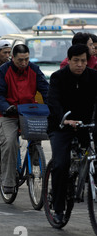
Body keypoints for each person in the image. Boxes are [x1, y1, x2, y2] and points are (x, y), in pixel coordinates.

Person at [47, 44, 97, 224]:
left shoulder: (93, 77)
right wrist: (64, 119)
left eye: (83, 61)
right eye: (76, 61)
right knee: (61, 164)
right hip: (61, 127)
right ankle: (58, 207)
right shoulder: (58, 78)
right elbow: (53, 101)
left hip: (86, 125)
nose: (80, 64)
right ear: (69, 60)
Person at [0, 44, 49, 194]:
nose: (24, 63)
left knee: (38, 132)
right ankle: (8, 182)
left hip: (29, 112)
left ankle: (36, 158)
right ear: (13, 58)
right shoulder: (3, 71)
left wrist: (53, 106)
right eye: (20, 60)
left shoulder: (34, 70)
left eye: (26, 59)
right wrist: (6, 107)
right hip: (7, 114)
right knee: (10, 142)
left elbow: (46, 90)